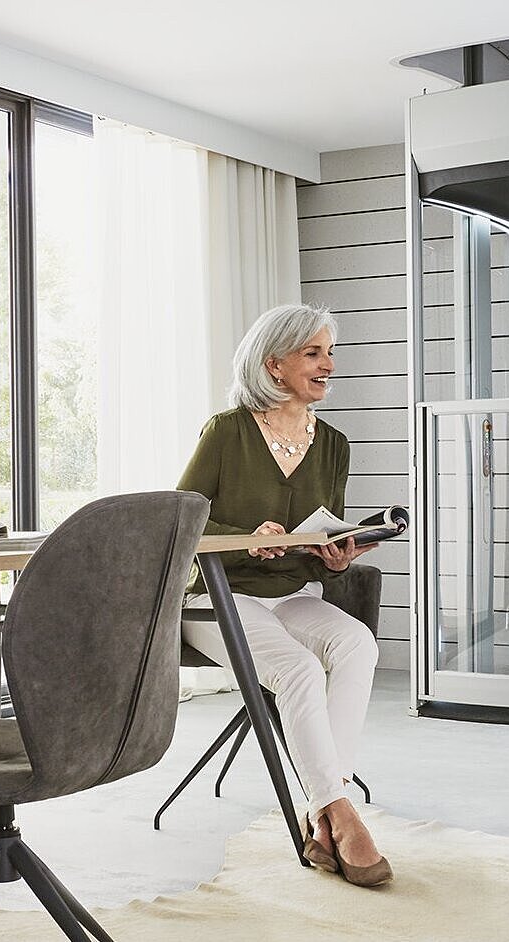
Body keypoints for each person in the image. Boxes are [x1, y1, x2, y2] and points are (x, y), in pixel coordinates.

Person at [177, 302, 391, 886]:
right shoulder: (228, 431)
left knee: (357, 645)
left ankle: (322, 813)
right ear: (274, 365)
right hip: (219, 598)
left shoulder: (334, 444)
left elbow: (322, 530)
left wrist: (338, 552)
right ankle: (343, 817)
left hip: (292, 592)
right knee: (298, 671)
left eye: (329, 352)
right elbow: (180, 522)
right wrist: (247, 539)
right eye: (313, 353)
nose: (329, 365)